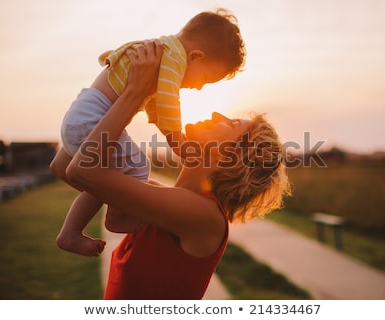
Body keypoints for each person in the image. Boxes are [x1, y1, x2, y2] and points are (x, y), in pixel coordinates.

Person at [63, 40, 291, 299]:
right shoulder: (166, 201)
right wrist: (107, 94)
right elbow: (66, 166)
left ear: (235, 158)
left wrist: (135, 93)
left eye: (231, 123)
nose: (217, 114)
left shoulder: (204, 215)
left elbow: (81, 171)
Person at [50, 8, 246, 256]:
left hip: (81, 113)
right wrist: (177, 140)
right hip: (93, 118)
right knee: (138, 165)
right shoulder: (174, 58)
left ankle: (73, 229)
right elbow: (167, 100)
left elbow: (154, 102)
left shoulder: (162, 51)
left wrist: (165, 131)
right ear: (196, 56)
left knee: (108, 175)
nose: (198, 88)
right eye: (205, 79)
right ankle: (114, 217)